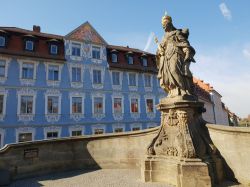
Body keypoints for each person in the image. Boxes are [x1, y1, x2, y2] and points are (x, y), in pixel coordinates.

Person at [155, 14, 196, 98]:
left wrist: (186, 51)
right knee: (166, 76)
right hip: (166, 57)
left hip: (175, 53)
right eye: (162, 25)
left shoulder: (176, 32)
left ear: (169, 23)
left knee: (174, 70)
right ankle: (173, 91)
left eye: (165, 23)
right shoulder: (164, 36)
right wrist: (159, 51)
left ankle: (182, 90)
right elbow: (161, 47)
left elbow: (184, 42)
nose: (163, 26)